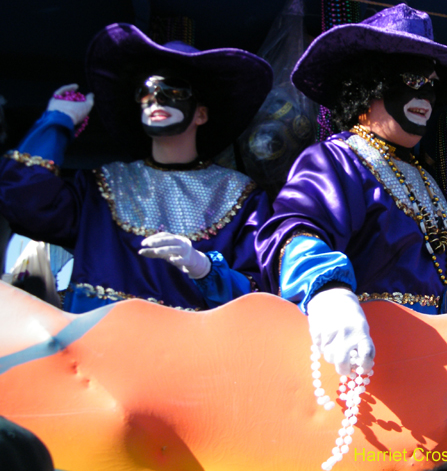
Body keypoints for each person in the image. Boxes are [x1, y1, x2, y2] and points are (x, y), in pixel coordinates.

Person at [257, 3, 447, 375]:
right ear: (368, 86)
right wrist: (328, 293)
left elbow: (429, 276)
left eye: (432, 85)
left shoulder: (422, 177)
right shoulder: (336, 160)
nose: (424, 97)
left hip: (433, 365)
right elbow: (296, 232)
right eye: (411, 80)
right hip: (362, 364)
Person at [0, 24, 274, 312]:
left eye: (174, 90)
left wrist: (205, 269)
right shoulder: (101, 186)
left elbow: (260, 295)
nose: (157, 99)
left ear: (201, 113)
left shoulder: (242, 196)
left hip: (188, 352)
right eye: (147, 92)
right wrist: (57, 122)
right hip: (100, 347)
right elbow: (22, 202)